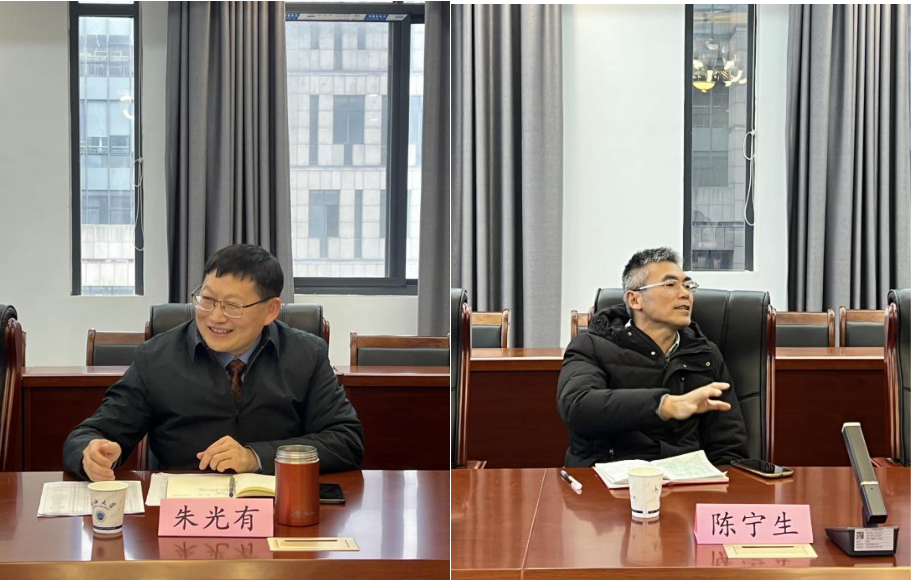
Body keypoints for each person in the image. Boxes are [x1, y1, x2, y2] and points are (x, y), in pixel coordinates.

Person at [64, 244, 364, 481]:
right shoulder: (156, 357)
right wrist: (91, 454)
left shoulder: (306, 354)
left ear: (271, 310)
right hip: (182, 515)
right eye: (206, 300)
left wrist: (256, 457)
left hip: (276, 508)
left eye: (232, 305)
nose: (216, 317)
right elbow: (89, 434)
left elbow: (346, 441)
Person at [557, 247, 747, 467]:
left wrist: (722, 482)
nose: (685, 294)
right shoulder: (591, 345)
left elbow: (728, 445)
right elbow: (577, 407)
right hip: (609, 476)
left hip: (686, 478)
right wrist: (664, 405)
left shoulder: (705, 353)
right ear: (635, 299)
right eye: (670, 285)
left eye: (688, 285)